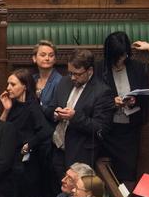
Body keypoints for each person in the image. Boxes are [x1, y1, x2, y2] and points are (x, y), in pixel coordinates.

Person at [44, 49, 114, 179]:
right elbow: (50, 107)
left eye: (77, 74)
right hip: (56, 149)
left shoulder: (102, 92)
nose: (72, 77)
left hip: (79, 155)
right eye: (70, 72)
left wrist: (74, 117)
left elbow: (101, 128)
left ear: (90, 71)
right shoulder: (64, 82)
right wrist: (55, 113)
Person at [99, 31, 149, 183]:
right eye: (117, 57)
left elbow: (146, 94)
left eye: (124, 56)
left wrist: (134, 100)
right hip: (107, 131)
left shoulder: (137, 67)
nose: (121, 60)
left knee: (127, 173)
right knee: (106, 176)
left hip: (129, 131)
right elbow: (93, 99)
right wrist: (111, 102)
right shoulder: (99, 69)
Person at [0, 68, 54, 197]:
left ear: (24, 86)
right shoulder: (13, 104)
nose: (8, 88)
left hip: (27, 165)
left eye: (13, 84)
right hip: (11, 160)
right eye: (8, 84)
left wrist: (29, 144)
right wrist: (6, 110)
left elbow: (46, 131)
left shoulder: (32, 106)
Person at [31, 40, 62, 108]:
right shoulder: (31, 79)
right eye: (43, 55)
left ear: (55, 59)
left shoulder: (60, 81)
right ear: (34, 58)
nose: (47, 58)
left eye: (51, 55)